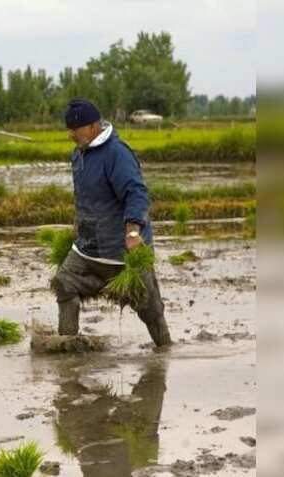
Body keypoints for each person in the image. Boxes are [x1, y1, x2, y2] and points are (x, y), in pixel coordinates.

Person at [51, 99, 172, 347]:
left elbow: (136, 193)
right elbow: (84, 196)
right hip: (88, 249)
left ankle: (165, 351)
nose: (71, 134)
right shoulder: (79, 154)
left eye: (76, 129)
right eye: (69, 129)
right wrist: (78, 225)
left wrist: (133, 232)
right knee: (64, 283)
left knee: (150, 309)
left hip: (122, 252)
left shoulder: (116, 153)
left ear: (94, 125)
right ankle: (67, 350)